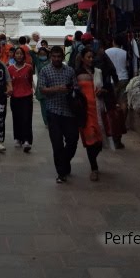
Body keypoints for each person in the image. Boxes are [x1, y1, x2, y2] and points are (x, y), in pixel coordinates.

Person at [38, 45, 79, 184]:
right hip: (53, 110)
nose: (56, 59)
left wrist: (70, 90)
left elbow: (76, 88)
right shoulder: (45, 71)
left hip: (68, 111)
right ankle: (61, 172)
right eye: (54, 57)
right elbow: (42, 89)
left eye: (58, 57)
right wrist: (56, 89)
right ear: (51, 57)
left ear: (62, 57)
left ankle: (65, 161)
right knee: (57, 144)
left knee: (73, 140)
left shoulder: (70, 71)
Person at [76, 47, 106, 181]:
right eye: (88, 57)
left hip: (98, 109)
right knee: (90, 140)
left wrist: (102, 91)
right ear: (82, 58)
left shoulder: (98, 72)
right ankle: (94, 168)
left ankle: (94, 162)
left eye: (92, 57)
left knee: (99, 142)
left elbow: (107, 88)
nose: (91, 59)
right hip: (84, 111)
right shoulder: (77, 74)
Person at [8, 46, 34, 152]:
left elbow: (30, 80)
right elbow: (9, 83)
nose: (19, 55)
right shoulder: (10, 69)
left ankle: (27, 140)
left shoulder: (29, 67)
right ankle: (18, 138)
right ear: (14, 55)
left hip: (27, 96)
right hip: (15, 97)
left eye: (21, 53)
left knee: (27, 118)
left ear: (24, 55)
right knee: (17, 117)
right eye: (17, 53)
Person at [34, 44, 50, 128]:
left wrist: (49, 51)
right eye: (41, 54)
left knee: (51, 105)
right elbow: (30, 52)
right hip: (41, 86)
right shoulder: (38, 61)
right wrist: (36, 50)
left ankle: (51, 120)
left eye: (44, 54)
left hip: (50, 85)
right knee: (43, 106)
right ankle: (46, 122)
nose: (42, 56)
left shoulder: (50, 61)